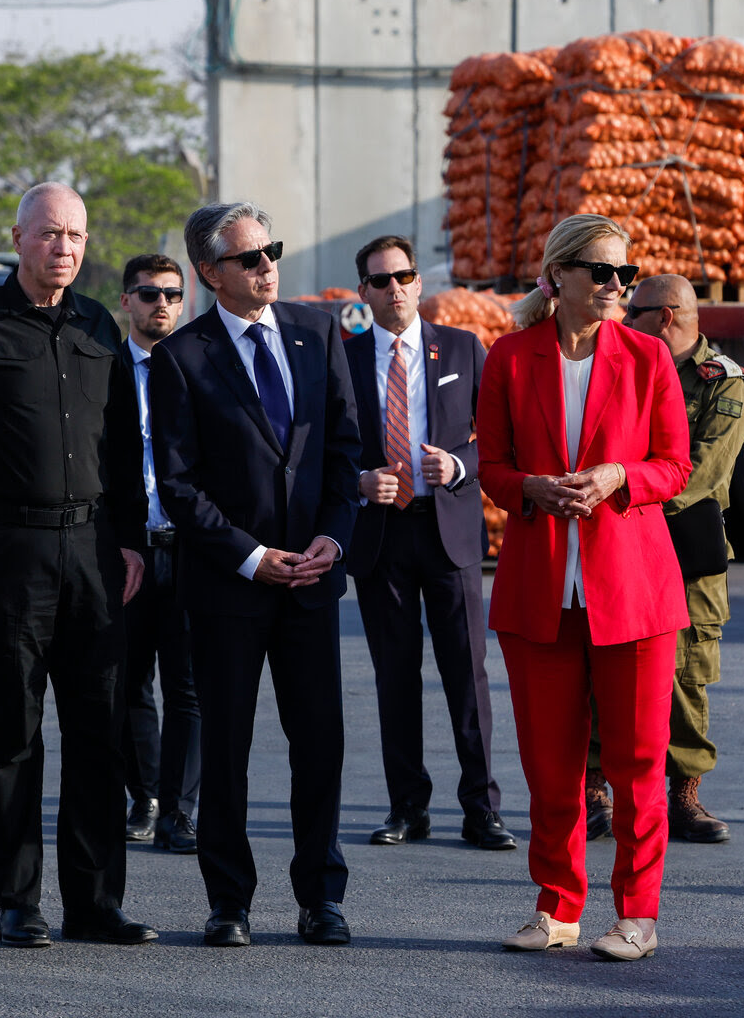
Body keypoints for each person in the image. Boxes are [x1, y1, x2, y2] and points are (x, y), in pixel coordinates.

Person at [0, 182, 155, 949]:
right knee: (14, 728)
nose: (65, 248)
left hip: (93, 552)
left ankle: (94, 902)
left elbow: (124, 449)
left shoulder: (97, 327)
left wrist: (132, 542)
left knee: (99, 731)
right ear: (18, 237)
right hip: (7, 553)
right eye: (51, 234)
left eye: (76, 236)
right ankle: (18, 900)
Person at [476, 214, 692, 962]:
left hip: (632, 589)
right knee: (550, 766)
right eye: (600, 272)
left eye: (624, 276)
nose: (614, 287)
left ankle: (637, 914)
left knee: (638, 767)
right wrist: (532, 487)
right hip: (540, 589)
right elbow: (493, 468)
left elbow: (675, 466)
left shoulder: (648, 358)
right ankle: (557, 908)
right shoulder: (508, 358)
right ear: (556, 277)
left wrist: (619, 477)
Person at [149, 202, 361, 947]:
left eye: (271, 250)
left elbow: (343, 451)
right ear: (210, 273)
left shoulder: (316, 331)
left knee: (320, 743)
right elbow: (178, 482)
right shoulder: (182, 357)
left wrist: (335, 536)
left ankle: (321, 899)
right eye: (249, 257)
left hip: (311, 580)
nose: (268, 264)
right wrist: (248, 554)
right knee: (228, 747)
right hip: (228, 587)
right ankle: (228, 902)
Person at [345, 235, 515, 852]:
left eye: (405, 276)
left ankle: (481, 809)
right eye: (381, 280)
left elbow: (497, 440)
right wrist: (359, 480)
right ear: (363, 292)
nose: (395, 288)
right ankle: (407, 807)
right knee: (395, 677)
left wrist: (460, 465)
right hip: (381, 533)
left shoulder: (464, 348)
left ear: (419, 283)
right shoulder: (345, 357)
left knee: (466, 675)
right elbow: (324, 452)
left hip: (449, 531)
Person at [584, 275, 744, 843]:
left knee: (686, 674)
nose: (623, 318)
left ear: (665, 316)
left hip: (683, 547)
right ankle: (593, 789)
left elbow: (697, 474)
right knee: (601, 662)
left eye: (634, 311)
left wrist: (620, 488)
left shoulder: (722, 385)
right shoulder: (626, 363)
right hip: (623, 538)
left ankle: (683, 796)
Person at [119, 254, 201, 854]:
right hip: (129, 548)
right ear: (127, 301)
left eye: (172, 294)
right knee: (129, 683)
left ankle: (180, 807)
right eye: (149, 294)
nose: (162, 305)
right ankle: (144, 795)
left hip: (192, 546)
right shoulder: (105, 368)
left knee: (189, 686)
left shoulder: (201, 363)